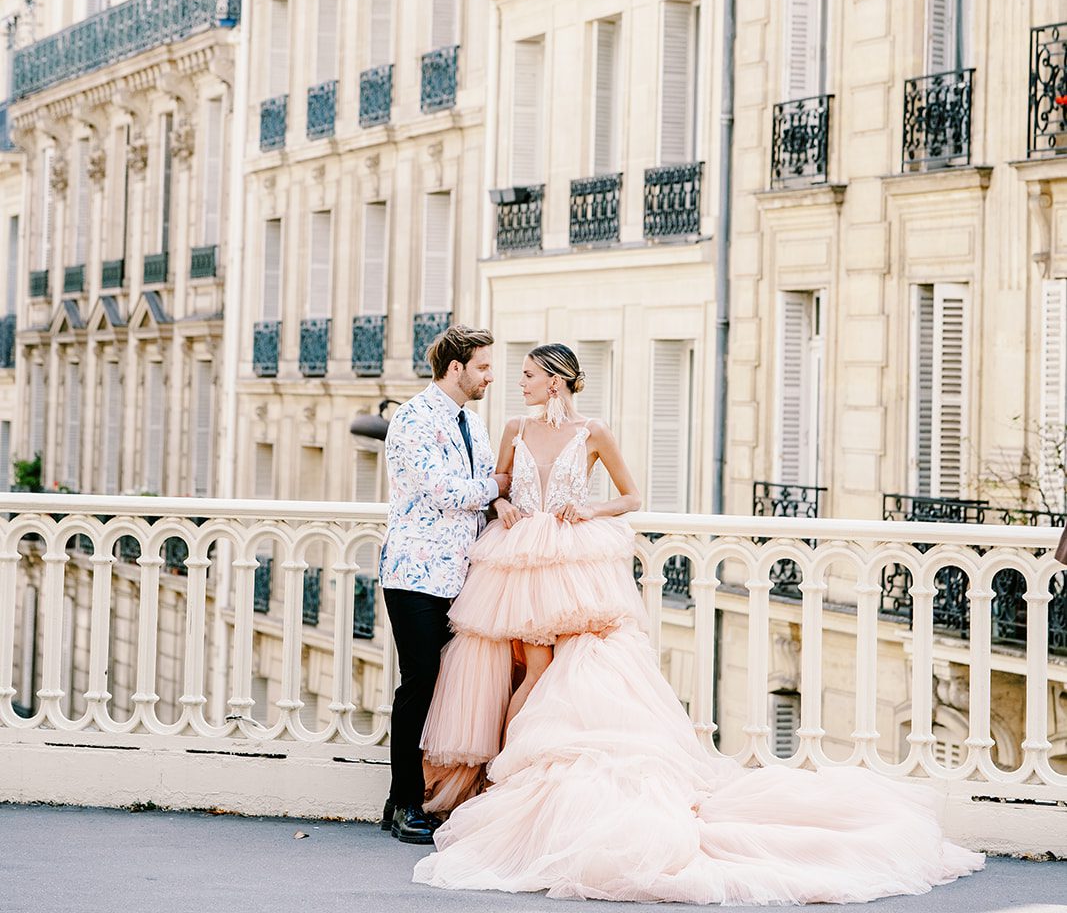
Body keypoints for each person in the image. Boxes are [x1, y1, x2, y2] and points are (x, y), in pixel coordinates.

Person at [413, 342, 985, 904]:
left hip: (574, 563)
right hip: (520, 560)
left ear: (556, 380)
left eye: (530, 374)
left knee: (564, 668)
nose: (521, 382)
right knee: (529, 665)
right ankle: (505, 775)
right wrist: (504, 508)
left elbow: (631, 494)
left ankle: (522, 774)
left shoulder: (594, 432)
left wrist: (589, 508)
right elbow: (498, 488)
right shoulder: (514, 426)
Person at [378, 323, 509, 845]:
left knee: (450, 686)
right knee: (419, 683)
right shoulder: (411, 418)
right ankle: (405, 803)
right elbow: (440, 491)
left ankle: (406, 799)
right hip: (414, 573)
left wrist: (498, 498)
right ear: (455, 368)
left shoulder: (472, 425)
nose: (490, 376)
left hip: (462, 572)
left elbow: (477, 495)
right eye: (482, 367)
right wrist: (494, 486)